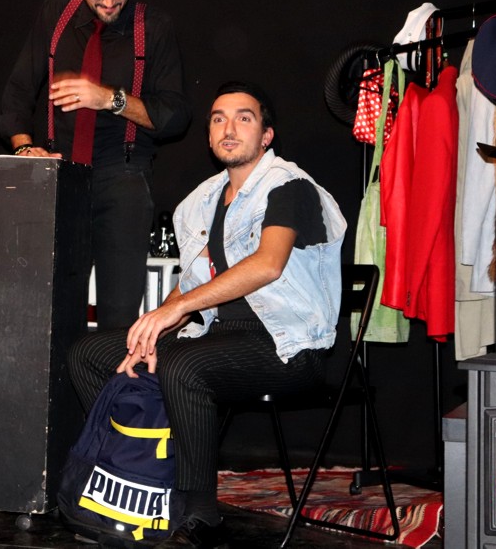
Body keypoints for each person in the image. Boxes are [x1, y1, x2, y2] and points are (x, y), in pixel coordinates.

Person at [68, 82, 346, 547]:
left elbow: (268, 264)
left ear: (266, 135)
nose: (229, 128)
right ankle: (138, 473)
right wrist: (153, 325)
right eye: (218, 119)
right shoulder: (204, 200)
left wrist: (177, 308)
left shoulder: (289, 186)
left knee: (183, 366)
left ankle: (200, 515)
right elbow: (192, 283)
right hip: (219, 336)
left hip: (288, 344)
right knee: (90, 354)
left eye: (244, 118)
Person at [0, 0, 191, 331]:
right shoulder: (56, 14)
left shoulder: (153, 27)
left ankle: (113, 374)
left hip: (122, 176)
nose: (109, 1)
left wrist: (109, 99)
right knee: (49, 314)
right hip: (61, 175)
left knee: (117, 318)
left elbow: (174, 117)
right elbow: (17, 94)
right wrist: (24, 148)